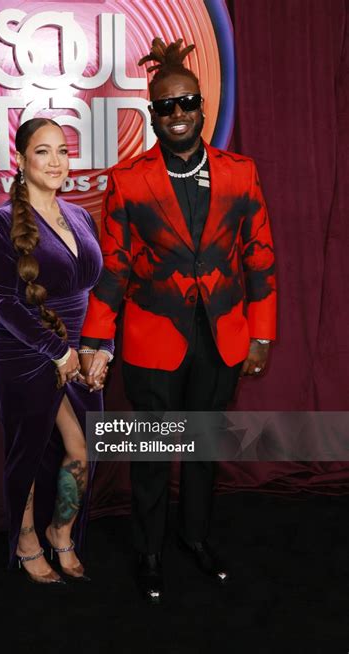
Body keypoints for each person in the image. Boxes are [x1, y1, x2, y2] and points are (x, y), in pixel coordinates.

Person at [79, 38, 277, 603]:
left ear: (201, 107)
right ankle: (149, 550)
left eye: (187, 102)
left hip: (222, 338)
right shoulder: (128, 180)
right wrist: (96, 341)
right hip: (151, 340)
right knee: (150, 452)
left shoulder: (241, 173)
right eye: (166, 106)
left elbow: (259, 255)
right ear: (152, 114)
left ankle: (195, 537)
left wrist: (261, 332)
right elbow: (113, 269)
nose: (179, 114)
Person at [0, 118, 113, 584]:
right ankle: (26, 541)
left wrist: (102, 349)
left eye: (63, 150)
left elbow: (99, 292)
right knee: (29, 452)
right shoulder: (0, 223)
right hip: (22, 354)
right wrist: (59, 352)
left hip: (77, 352)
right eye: (43, 152)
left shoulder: (80, 215)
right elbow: (4, 302)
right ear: (20, 160)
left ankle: (61, 533)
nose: (56, 161)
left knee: (83, 447)